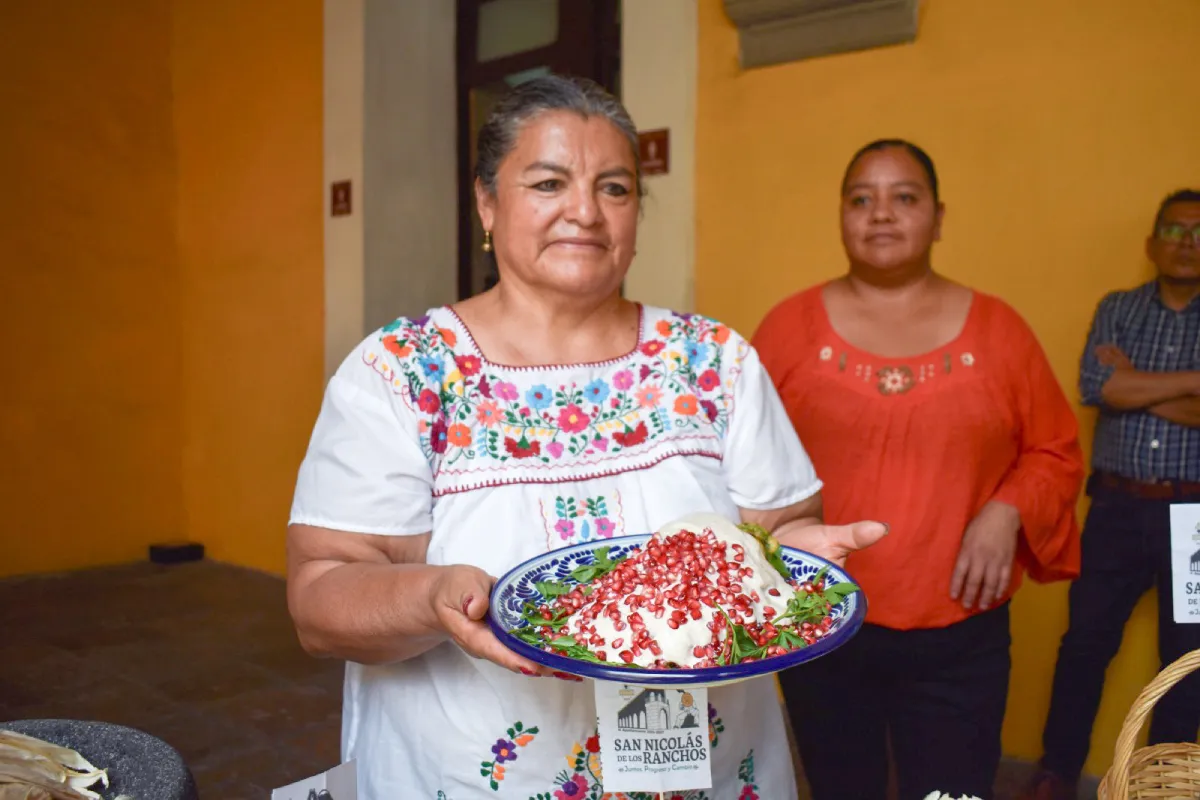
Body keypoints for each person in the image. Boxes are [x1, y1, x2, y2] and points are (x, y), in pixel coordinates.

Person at [284, 75, 887, 799]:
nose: (585, 212)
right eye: (548, 182)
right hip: (473, 776)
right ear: (486, 202)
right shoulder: (403, 372)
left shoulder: (711, 361)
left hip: (708, 775)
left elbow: (780, 528)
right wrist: (431, 595)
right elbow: (320, 596)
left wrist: (794, 555)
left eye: (615, 188)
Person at [752, 139, 1085, 800]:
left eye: (904, 197)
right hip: (821, 622)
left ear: (938, 217)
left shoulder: (1000, 331)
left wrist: (1007, 508)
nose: (882, 213)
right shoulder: (787, 329)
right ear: (840, 215)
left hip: (961, 634)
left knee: (952, 791)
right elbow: (737, 463)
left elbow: (1054, 449)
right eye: (861, 198)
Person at [1020, 189, 1200, 800]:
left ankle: (1158, 786)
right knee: (1084, 644)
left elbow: (1121, 386)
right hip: (1117, 508)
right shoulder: (1118, 307)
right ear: (1153, 242)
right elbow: (1099, 387)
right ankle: (1056, 771)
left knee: (1187, 660)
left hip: (1193, 515)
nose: (1186, 242)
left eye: (1199, 231)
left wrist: (1135, 382)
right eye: (1174, 230)